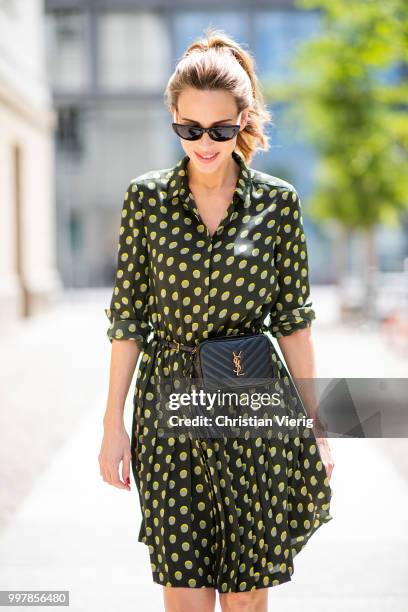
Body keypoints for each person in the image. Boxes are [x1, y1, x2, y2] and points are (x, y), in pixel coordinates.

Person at [99, 26, 334, 612]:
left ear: (243, 121)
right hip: (168, 407)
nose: (205, 142)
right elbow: (128, 319)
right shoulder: (145, 200)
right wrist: (111, 423)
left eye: (222, 129)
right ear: (174, 119)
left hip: (251, 398)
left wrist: (318, 424)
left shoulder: (277, 204)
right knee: (184, 591)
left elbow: (294, 322)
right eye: (190, 128)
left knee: (247, 597)